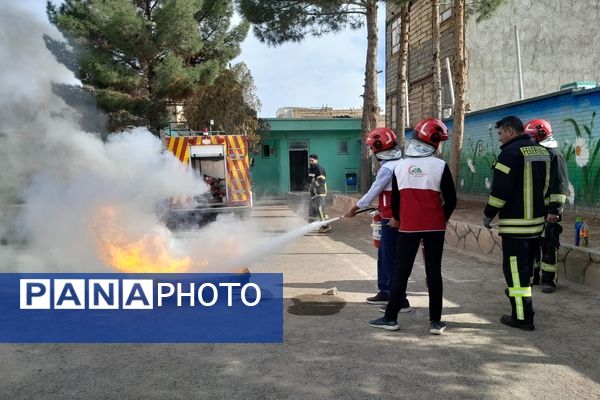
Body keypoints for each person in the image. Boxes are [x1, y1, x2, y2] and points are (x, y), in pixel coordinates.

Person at [368, 118, 456, 335]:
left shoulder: (401, 166)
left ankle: (391, 318)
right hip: (435, 228)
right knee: (434, 273)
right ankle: (436, 323)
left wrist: (398, 217)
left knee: (401, 272)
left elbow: (396, 201)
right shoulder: (441, 166)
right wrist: (440, 219)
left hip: (408, 228)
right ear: (434, 141)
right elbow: (452, 200)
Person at [483, 116, 550, 331]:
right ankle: (524, 311)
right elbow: (547, 187)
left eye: (501, 134)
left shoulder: (509, 153)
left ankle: (522, 318)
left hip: (515, 226)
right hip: (536, 225)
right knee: (526, 272)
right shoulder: (541, 151)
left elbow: (500, 191)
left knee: (515, 273)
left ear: (510, 131)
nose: (500, 138)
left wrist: (488, 214)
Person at [343, 128, 411, 311]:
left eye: (372, 148)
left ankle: (400, 300)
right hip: (388, 217)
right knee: (384, 256)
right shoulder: (400, 163)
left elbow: (373, 191)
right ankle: (385, 291)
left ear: (379, 148)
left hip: (392, 220)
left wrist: (355, 208)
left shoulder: (388, 168)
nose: (372, 152)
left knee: (391, 259)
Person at [524, 119, 568, 293]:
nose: (529, 140)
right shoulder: (537, 154)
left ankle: (549, 280)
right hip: (535, 209)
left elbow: (560, 184)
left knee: (549, 244)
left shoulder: (555, 155)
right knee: (533, 244)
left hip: (550, 211)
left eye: (531, 136)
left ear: (540, 135)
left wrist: (555, 210)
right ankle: (533, 277)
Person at [308, 154, 331, 233]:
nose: (310, 162)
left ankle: (326, 226)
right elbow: (310, 180)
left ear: (316, 160)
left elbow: (321, 181)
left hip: (320, 192)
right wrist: (310, 188)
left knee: (320, 209)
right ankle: (312, 225)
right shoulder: (311, 169)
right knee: (312, 210)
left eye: (312, 160)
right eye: (310, 160)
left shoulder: (319, 169)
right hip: (313, 193)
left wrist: (314, 186)